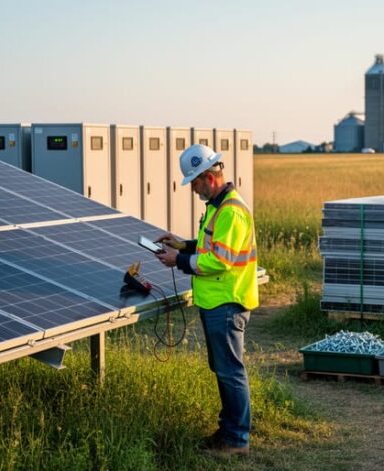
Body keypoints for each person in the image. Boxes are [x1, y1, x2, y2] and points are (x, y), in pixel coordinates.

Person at [155, 144, 258, 456]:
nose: (193, 190)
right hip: (217, 302)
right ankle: (229, 431)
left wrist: (179, 260)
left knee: (230, 371)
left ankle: (237, 440)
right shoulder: (217, 207)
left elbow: (218, 260)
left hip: (226, 302)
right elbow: (207, 246)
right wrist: (182, 244)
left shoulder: (230, 211)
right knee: (224, 369)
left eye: (195, 183)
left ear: (208, 177)